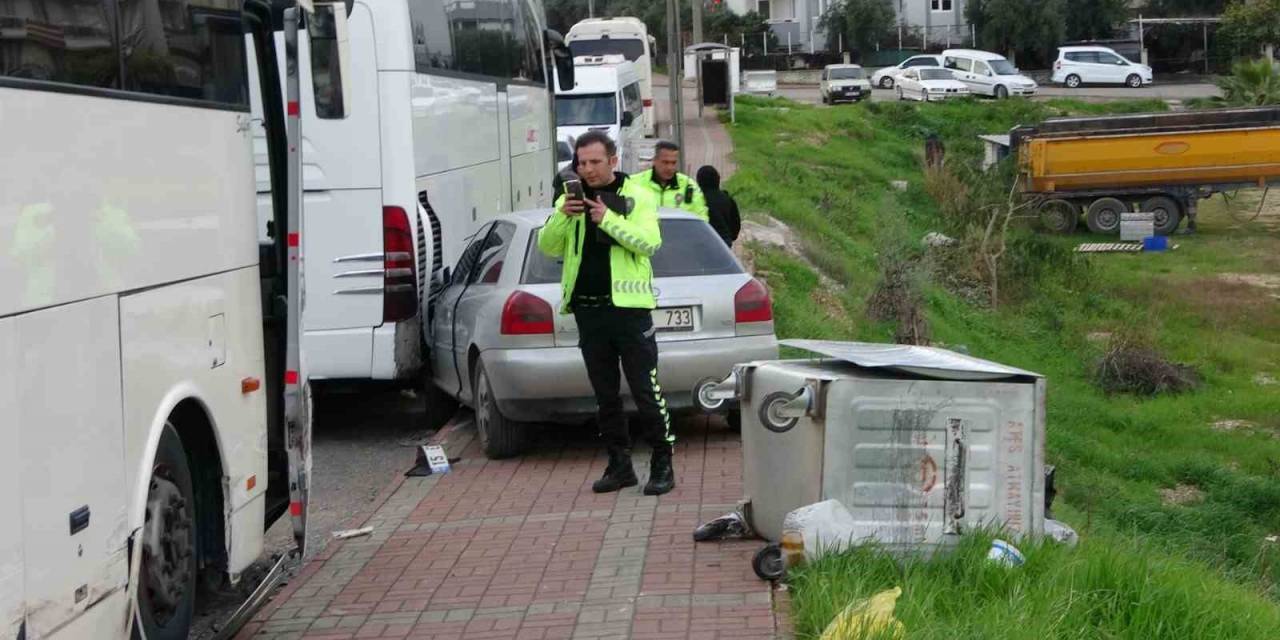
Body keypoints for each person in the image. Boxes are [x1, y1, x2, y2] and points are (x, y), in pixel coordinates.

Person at [536, 130, 676, 496]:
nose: (588, 170)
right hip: (588, 311)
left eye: (595, 162)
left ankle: (662, 463)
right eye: (581, 163)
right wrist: (564, 217)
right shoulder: (571, 198)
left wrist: (607, 219)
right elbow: (548, 247)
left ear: (613, 161)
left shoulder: (637, 195)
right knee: (605, 395)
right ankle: (619, 465)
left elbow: (650, 244)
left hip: (629, 312)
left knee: (646, 390)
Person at [635, 141, 709, 221]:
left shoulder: (689, 186)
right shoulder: (635, 183)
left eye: (673, 163)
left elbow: (701, 219)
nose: (670, 167)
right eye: (665, 162)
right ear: (655, 160)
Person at [695, 165, 741, 248]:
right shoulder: (727, 199)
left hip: (704, 242)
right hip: (724, 242)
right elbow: (736, 223)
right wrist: (730, 237)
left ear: (699, 182)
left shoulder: (697, 201)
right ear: (717, 179)